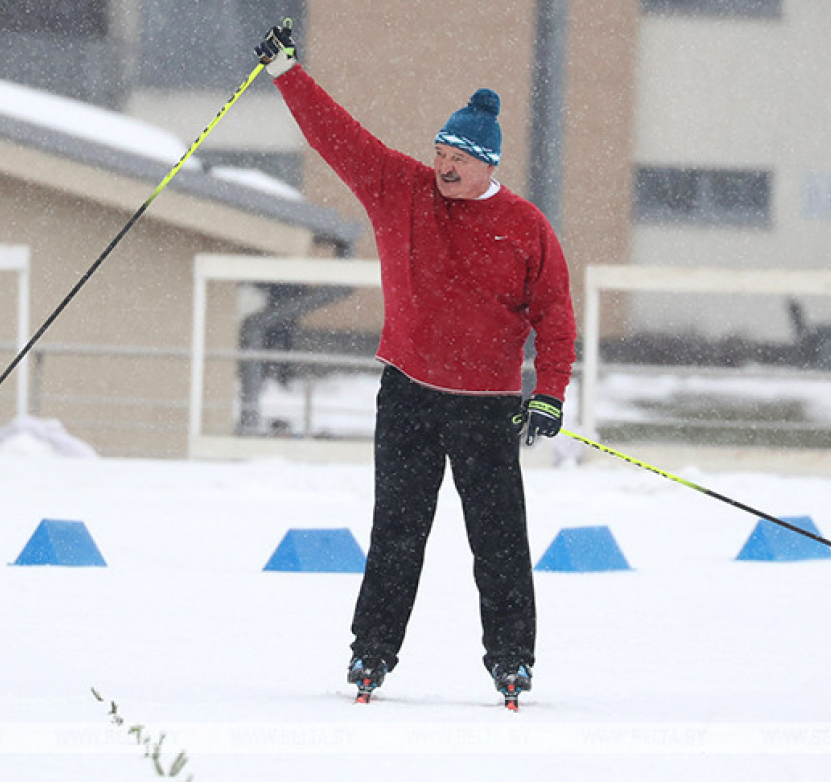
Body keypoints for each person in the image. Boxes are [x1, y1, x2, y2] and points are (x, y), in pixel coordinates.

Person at [256, 21, 577, 704]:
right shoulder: (400, 189)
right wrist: (287, 71)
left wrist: (547, 393)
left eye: (458, 157)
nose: (444, 166)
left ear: (490, 163)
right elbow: (335, 135)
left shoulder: (527, 227)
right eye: (439, 152)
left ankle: (512, 659)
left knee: (499, 542)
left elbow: (555, 317)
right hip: (407, 395)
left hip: (488, 407)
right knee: (397, 534)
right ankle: (371, 651)